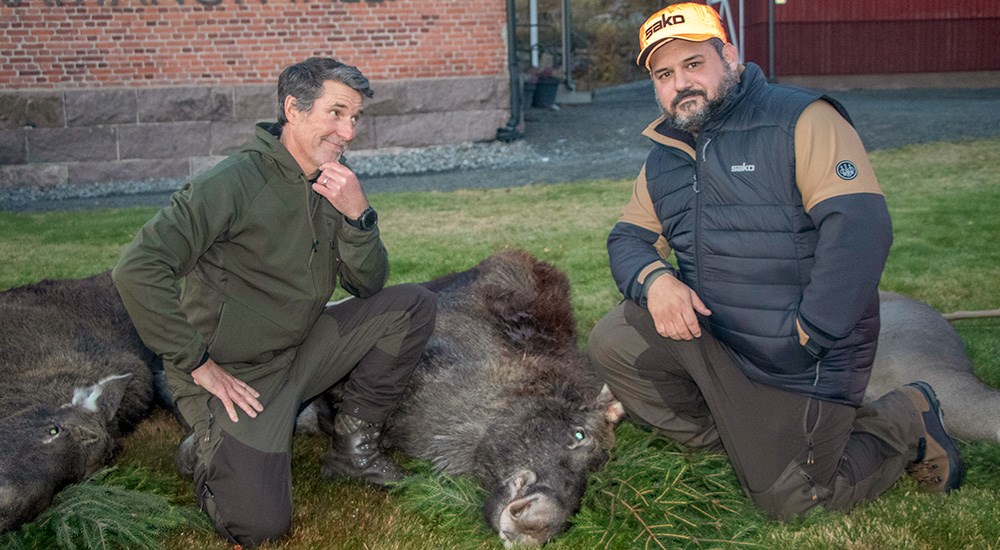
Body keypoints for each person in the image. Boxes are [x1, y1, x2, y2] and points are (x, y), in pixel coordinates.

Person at [587, 3, 963, 520]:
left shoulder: (800, 118)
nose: (680, 84)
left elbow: (859, 230)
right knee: (616, 341)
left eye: (694, 64)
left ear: (730, 57)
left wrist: (811, 333)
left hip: (802, 359)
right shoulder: (665, 156)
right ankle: (753, 449)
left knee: (796, 503)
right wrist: (655, 281)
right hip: (723, 342)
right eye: (665, 74)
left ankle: (905, 418)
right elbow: (628, 238)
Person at [112, 57, 436, 546]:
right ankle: (206, 447)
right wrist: (197, 364)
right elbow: (138, 268)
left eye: (356, 118)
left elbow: (368, 285)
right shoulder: (231, 183)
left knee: (411, 306)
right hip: (235, 378)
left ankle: (352, 450)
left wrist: (358, 217)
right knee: (259, 526)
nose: (348, 132)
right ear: (293, 108)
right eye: (336, 113)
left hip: (302, 348)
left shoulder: (336, 181)